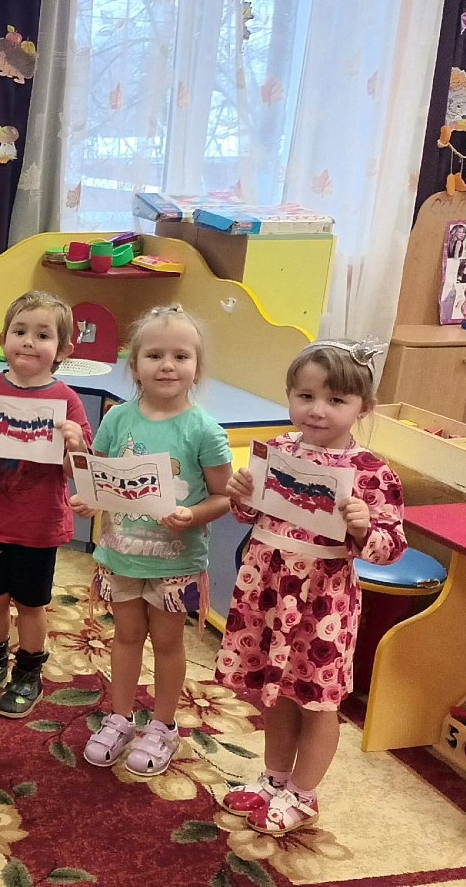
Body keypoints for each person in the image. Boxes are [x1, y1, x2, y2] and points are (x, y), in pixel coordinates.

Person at [217, 340, 406, 835]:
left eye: (336, 399)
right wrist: (241, 495)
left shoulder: (373, 472)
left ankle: (303, 794)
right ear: (289, 396)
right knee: (276, 692)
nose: (318, 410)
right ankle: (275, 779)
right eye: (305, 396)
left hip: (324, 599)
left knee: (318, 700)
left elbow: (391, 547)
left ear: (364, 406)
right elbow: (249, 515)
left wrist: (364, 528)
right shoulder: (277, 450)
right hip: (268, 586)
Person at [68, 306, 232, 774]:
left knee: (166, 643)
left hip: (174, 564)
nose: (167, 365)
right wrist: (89, 500)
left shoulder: (203, 430)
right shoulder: (118, 418)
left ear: (197, 367)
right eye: (154, 355)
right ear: (134, 365)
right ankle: (119, 717)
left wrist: (193, 514)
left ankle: (163, 726)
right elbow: (99, 476)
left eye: (181, 356)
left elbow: (225, 497)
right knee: (124, 636)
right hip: (120, 556)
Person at [0, 291, 90, 718]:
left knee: (31, 604)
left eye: (43, 335)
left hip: (38, 524)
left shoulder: (66, 400)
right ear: (2, 340)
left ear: (63, 350)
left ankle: (29, 672)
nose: (29, 341)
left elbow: (75, 471)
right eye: (20, 331)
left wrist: (75, 444)